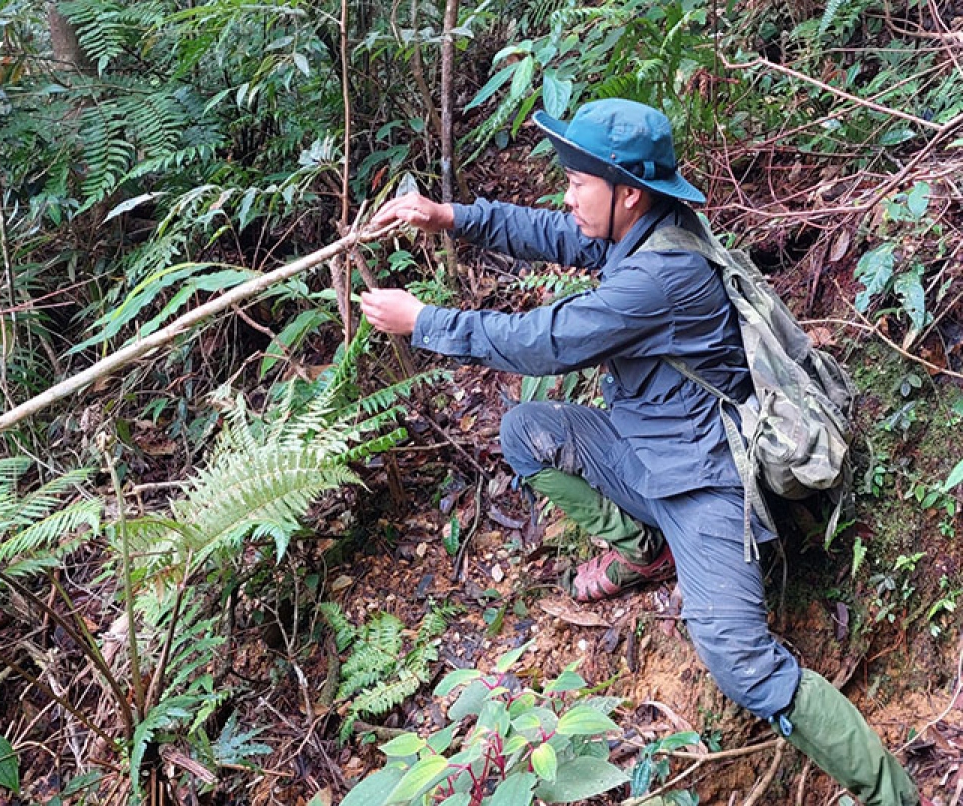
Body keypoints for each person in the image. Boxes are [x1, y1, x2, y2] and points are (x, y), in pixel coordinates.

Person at [359, 99, 927, 806]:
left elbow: (546, 341)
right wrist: (452, 216)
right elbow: (551, 232)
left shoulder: (659, 278)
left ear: (626, 191)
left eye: (578, 181)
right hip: (645, 453)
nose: (567, 195)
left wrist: (426, 321)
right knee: (526, 432)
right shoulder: (646, 226)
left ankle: (892, 796)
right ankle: (639, 548)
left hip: (705, 481)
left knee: (740, 663)